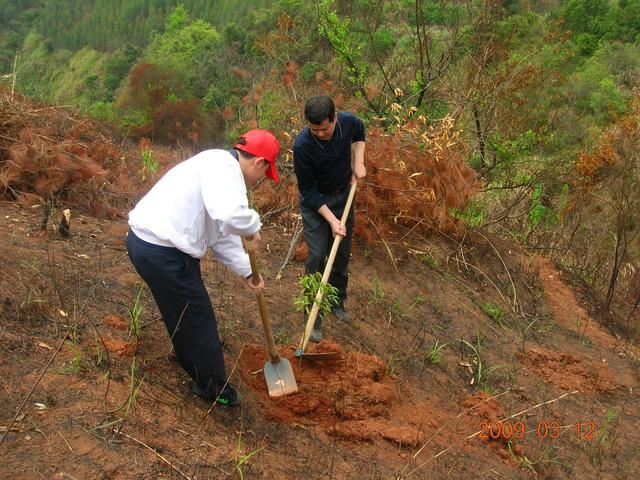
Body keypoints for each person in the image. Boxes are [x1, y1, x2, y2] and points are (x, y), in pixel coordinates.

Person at [125, 130, 280, 406]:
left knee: (183, 311)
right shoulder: (225, 170)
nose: (259, 182)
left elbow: (221, 233)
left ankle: (188, 356)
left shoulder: (216, 163)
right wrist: (253, 225)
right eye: (264, 174)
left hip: (145, 244)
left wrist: (247, 270)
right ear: (259, 163)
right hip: (163, 252)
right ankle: (214, 389)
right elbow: (231, 217)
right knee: (198, 320)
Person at [293, 96, 366, 342]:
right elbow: (309, 192)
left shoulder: (347, 122)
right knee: (317, 256)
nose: (320, 133)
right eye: (314, 130)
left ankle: (336, 302)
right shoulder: (302, 146)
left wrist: (359, 161)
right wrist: (333, 222)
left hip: (343, 196)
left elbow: (360, 131)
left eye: (324, 128)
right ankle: (312, 318)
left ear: (335, 118)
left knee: (342, 253)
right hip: (316, 205)